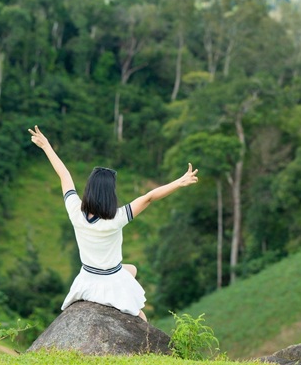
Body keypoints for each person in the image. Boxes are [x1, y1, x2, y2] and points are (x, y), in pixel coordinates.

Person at [28, 125, 199, 321]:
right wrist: (179, 182)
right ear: (111, 194)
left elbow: (64, 175)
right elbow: (149, 197)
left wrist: (46, 146)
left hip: (87, 278)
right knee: (140, 316)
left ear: (89, 189)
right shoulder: (117, 218)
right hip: (110, 279)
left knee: (132, 269)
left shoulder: (75, 211)